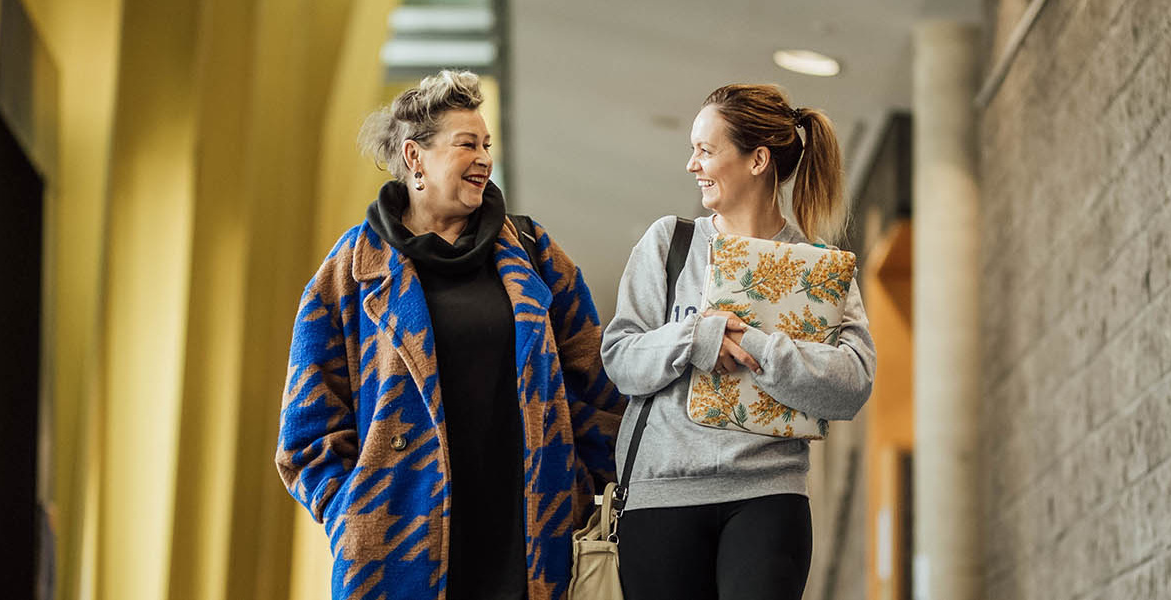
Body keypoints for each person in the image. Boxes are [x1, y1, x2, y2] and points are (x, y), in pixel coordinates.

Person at [276, 70, 626, 600]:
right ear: (415, 157)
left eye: (486, 144)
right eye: (467, 144)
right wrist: (355, 510)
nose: (484, 157)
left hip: (529, 531)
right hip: (398, 541)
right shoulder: (350, 269)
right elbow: (307, 428)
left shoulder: (533, 252)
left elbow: (597, 383)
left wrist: (577, 485)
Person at [600, 84, 876, 600]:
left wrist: (759, 346)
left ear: (758, 160)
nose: (692, 165)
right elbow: (620, 358)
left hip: (769, 496)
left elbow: (853, 382)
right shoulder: (670, 243)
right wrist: (699, 338)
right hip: (661, 496)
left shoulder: (818, 267)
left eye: (705, 150)